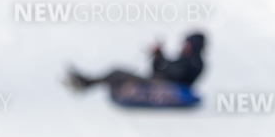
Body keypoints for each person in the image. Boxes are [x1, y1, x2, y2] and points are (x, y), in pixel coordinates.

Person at [67, 33, 206, 93]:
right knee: (117, 73)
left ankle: (84, 84)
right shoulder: (185, 59)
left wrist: (161, 57)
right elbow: (160, 71)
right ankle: (84, 82)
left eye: (186, 44)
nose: (182, 46)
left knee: (117, 73)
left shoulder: (195, 62)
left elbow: (176, 73)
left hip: (162, 87)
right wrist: (158, 57)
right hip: (157, 83)